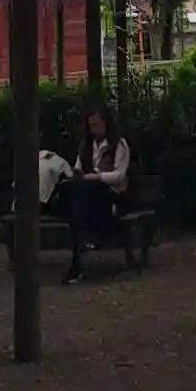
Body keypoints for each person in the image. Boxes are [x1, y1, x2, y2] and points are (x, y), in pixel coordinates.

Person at [61, 106, 131, 284]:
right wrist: (76, 174)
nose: (94, 129)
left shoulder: (118, 145)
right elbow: (77, 168)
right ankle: (78, 257)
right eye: (91, 126)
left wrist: (95, 177)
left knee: (82, 198)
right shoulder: (85, 147)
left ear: (106, 124)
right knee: (70, 191)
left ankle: (77, 261)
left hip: (111, 195)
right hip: (86, 195)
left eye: (97, 125)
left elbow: (119, 175)